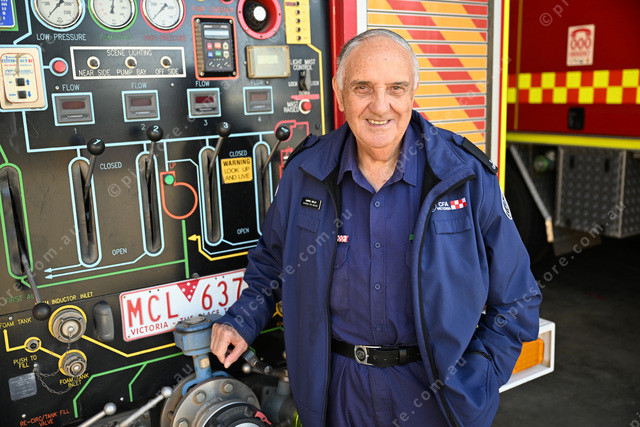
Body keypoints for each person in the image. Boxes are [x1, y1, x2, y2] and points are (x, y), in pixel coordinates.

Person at [210, 29, 541, 427]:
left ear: (412, 93)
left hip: (437, 400)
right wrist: (242, 320)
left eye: (396, 88)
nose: (380, 106)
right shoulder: (305, 173)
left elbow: (518, 298)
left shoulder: (465, 176)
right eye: (362, 87)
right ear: (339, 93)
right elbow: (273, 263)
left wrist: (478, 378)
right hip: (337, 396)